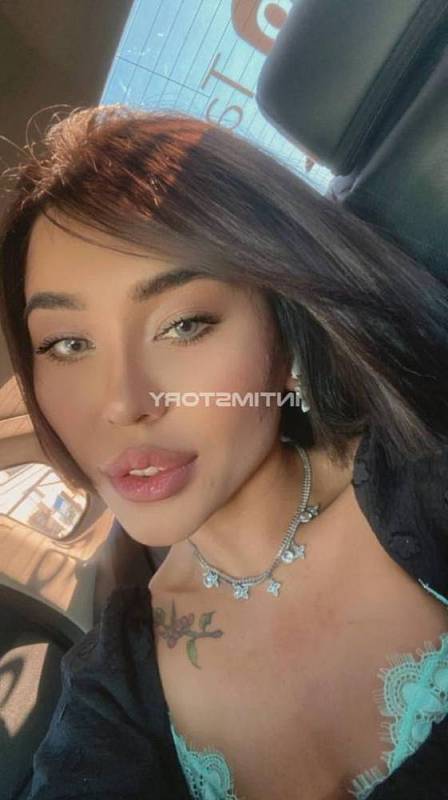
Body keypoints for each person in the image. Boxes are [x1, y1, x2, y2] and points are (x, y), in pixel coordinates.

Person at [0, 104, 448, 800]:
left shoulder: (420, 473)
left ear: (285, 336)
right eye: (68, 343)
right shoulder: (115, 681)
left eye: (184, 325)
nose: (123, 403)